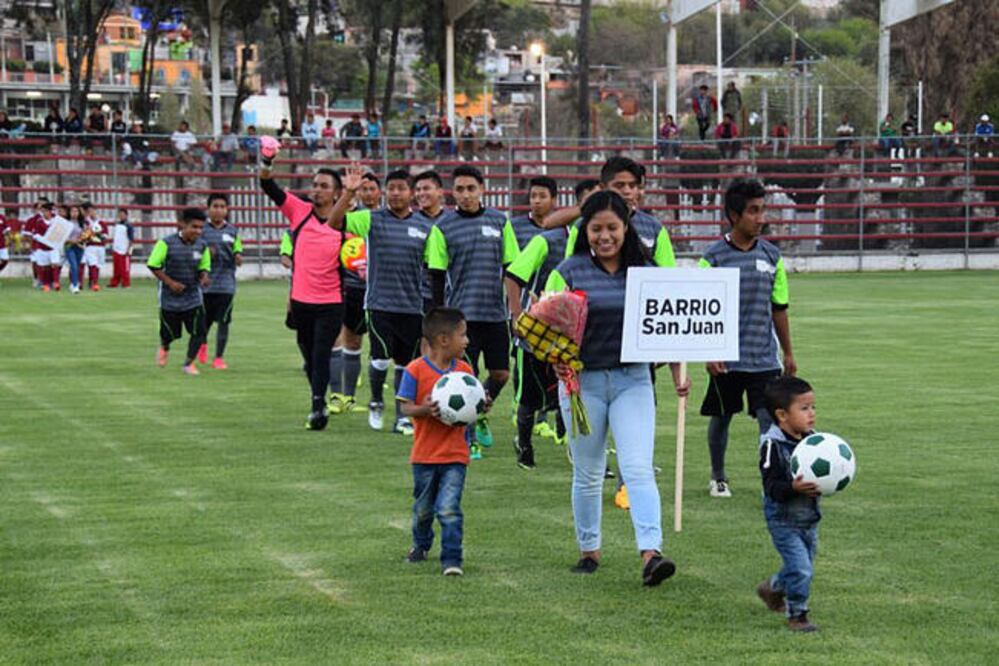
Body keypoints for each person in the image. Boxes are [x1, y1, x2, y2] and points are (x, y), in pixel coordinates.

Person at [544, 191, 689, 585]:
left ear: (627, 228)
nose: (604, 236)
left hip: (633, 381)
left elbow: (671, 323)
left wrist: (679, 371)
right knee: (589, 472)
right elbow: (539, 327)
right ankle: (588, 550)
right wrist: (554, 356)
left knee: (638, 467)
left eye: (612, 227)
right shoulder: (567, 272)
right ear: (584, 230)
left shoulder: (650, 272)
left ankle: (651, 554)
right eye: (596, 229)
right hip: (581, 384)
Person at [699, 179, 795, 498]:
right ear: (733, 215)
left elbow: (779, 307)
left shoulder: (772, 256)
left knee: (770, 423)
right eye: (753, 211)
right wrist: (709, 353)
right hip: (725, 359)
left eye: (762, 209)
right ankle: (718, 476)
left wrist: (789, 353)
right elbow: (700, 312)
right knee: (722, 419)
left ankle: (771, 481)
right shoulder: (712, 258)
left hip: (764, 358)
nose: (761, 217)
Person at [425, 165, 518, 458]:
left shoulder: (500, 222)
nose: (465, 195)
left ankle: (480, 412)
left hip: (494, 314)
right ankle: (469, 440)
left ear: (482, 189)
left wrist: (515, 310)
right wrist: (439, 319)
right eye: (460, 189)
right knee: (464, 379)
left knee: (501, 374)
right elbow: (437, 275)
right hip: (460, 319)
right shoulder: (443, 228)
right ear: (453, 192)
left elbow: (511, 270)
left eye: (471, 189)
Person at [332, 168, 434, 436]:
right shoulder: (371, 219)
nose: (397, 193)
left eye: (402, 188)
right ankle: (376, 400)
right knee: (379, 358)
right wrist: (349, 192)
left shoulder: (425, 227)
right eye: (392, 188)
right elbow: (333, 222)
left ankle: (402, 415)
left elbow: (435, 265)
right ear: (385, 192)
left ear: (411, 193)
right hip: (378, 303)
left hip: (412, 306)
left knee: (405, 363)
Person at [259, 137, 346, 430]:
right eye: (315, 184)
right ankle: (319, 397)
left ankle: (317, 407)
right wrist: (268, 160)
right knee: (309, 358)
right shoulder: (299, 210)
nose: (317, 190)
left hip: (332, 301)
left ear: (337, 194)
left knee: (321, 353)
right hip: (301, 301)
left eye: (324, 186)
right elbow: (268, 186)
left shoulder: (349, 221)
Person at [397, 307, 477, 576]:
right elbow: (405, 408)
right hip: (424, 456)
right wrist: (425, 409)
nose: (467, 341)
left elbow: (471, 405)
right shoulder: (415, 371)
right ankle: (421, 544)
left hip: (455, 455)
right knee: (423, 510)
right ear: (444, 339)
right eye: (462, 335)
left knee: (449, 508)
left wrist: (482, 406)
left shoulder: (465, 371)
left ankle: (452, 559)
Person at [756, 375, 822, 632]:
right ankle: (798, 615)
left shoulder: (813, 441)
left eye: (813, 407)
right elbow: (771, 487)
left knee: (799, 567)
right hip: (783, 520)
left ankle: (772, 588)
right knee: (802, 569)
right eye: (804, 408)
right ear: (782, 415)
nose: (811, 414)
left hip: (809, 519)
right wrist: (793, 488)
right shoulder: (772, 446)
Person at [327, 172, 380, 416]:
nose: (368, 194)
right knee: (353, 340)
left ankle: (381, 399)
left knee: (386, 348)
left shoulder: (390, 219)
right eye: (364, 190)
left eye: (372, 189)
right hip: (355, 289)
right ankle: (347, 397)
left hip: (385, 290)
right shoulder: (352, 220)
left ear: (380, 192)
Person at [147, 207, 212, 375]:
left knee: (200, 331)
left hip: (193, 296)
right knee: (170, 333)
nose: (198, 231)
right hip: (170, 298)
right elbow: (153, 265)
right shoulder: (165, 243)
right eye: (194, 227)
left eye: (200, 227)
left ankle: (188, 363)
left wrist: (204, 277)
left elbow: (204, 267)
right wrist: (170, 283)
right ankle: (164, 346)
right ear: (182, 224)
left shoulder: (202, 245)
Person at [198, 193, 242, 370]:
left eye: (222, 207)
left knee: (224, 322)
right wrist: (205, 254)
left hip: (226, 285)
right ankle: (201, 347)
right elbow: (194, 253)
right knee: (204, 322)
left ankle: (219, 358)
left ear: (227, 210)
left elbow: (238, 251)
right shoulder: (201, 231)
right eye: (215, 206)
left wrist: (238, 257)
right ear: (209, 209)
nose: (219, 210)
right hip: (206, 286)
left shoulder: (232, 231)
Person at [81, 202, 106, 291]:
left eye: (93, 211)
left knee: (98, 265)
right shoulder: (86, 222)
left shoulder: (101, 222)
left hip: (100, 247)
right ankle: (95, 283)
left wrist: (96, 234)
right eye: (89, 211)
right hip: (90, 246)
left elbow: (105, 236)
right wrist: (89, 235)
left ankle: (92, 281)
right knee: (92, 264)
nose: (92, 213)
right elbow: (83, 234)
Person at [63, 204, 86, 294]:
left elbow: (84, 235)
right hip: (69, 246)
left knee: (77, 266)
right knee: (73, 265)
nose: (74, 213)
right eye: (72, 211)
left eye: (76, 211)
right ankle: (76, 285)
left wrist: (82, 240)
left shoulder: (82, 223)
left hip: (79, 247)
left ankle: (73, 283)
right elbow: (62, 237)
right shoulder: (66, 223)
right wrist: (72, 241)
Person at [109, 207, 134, 288]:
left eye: (123, 214)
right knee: (116, 268)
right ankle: (114, 283)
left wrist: (128, 250)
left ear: (126, 215)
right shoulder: (117, 225)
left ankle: (126, 283)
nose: (121, 216)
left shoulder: (129, 226)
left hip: (124, 250)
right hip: (116, 249)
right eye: (120, 214)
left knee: (124, 269)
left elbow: (131, 239)